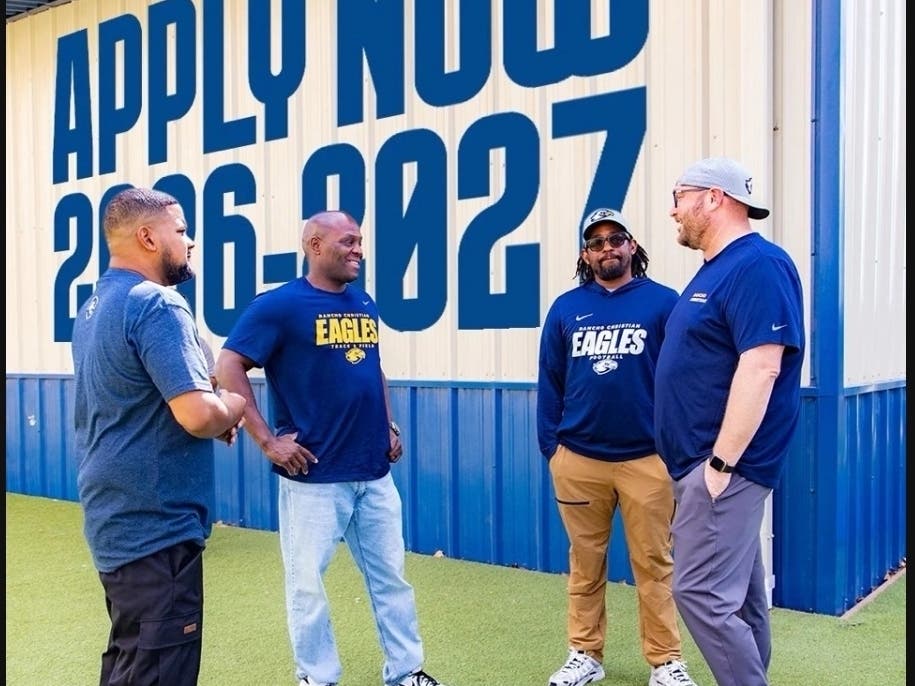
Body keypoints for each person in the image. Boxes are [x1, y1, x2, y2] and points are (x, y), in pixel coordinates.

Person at [215, 210, 447, 686]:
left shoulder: (364, 302)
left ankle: (406, 672)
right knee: (308, 587)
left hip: (374, 472)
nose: (358, 250)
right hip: (314, 477)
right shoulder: (279, 306)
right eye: (348, 241)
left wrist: (388, 425)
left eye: (360, 241)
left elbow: (372, 369)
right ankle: (317, 677)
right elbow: (229, 366)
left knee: (392, 581)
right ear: (315, 246)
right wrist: (266, 440)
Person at [71, 186, 248, 686]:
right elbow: (197, 414)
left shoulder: (96, 306)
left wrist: (209, 406)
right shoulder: (156, 305)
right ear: (148, 237)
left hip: (116, 523)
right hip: (155, 527)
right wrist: (232, 408)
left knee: (130, 663)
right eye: (182, 230)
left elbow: (148, 399)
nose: (190, 242)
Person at [655, 157, 805, 686]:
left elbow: (763, 365)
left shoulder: (756, 264)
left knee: (698, 592)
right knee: (739, 598)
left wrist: (719, 464)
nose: (673, 209)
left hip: (722, 469)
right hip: (705, 467)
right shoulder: (717, 268)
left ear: (714, 198)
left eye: (679, 195)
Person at [537, 208, 697, 686]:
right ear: (586, 255)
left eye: (616, 239)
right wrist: (554, 448)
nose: (607, 248)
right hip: (579, 460)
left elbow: (684, 379)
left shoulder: (664, 303)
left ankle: (666, 660)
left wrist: (676, 448)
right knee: (585, 563)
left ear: (632, 247)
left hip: (648, 461)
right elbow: (550, 380)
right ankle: (585, 654)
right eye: (596, 242)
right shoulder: (566, 308)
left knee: (655, 564)